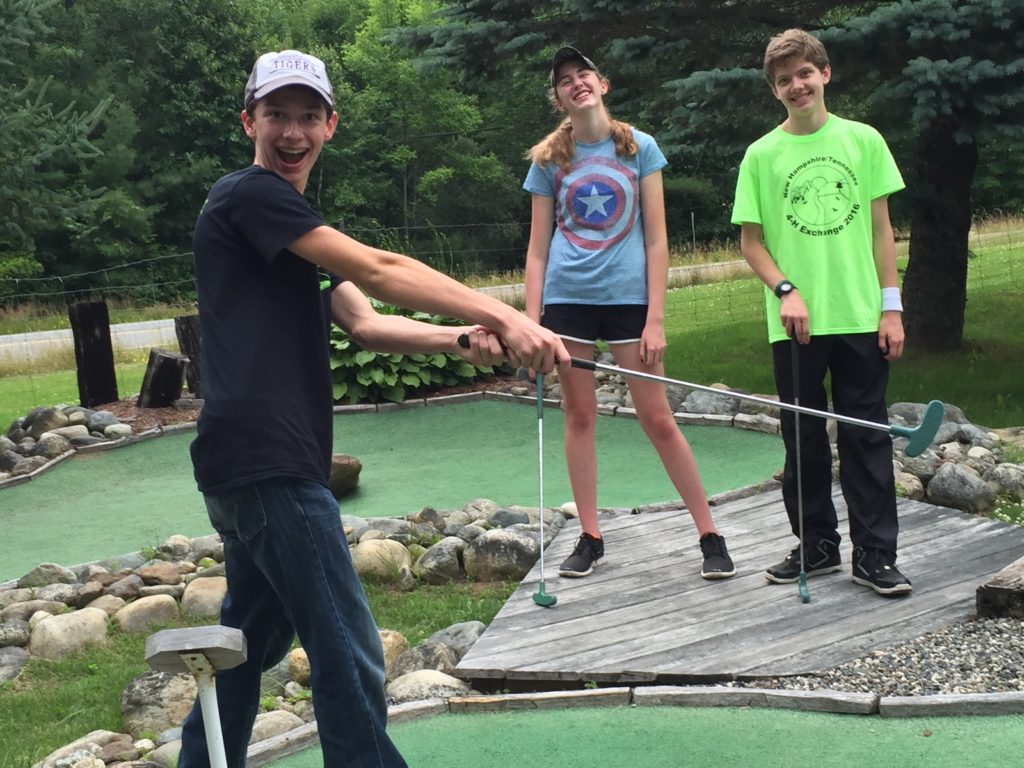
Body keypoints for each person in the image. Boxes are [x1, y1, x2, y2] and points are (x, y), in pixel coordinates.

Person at [179, 49, 570, 768]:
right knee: (347, 648)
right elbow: (383, 269)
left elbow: (365, 322)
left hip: (244, 466)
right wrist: (506, 314)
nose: (291, 132)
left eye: (306, 116)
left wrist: (462, 337)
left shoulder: (289, 227)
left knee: (246, 645)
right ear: (248, 122)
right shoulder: (250, 196)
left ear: (331, 125)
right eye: (276, 115)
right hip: (269, 464)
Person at [522, 46, 735, 581]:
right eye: (565, 80)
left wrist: (655, 318)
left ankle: (709, 533)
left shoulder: (638, 146)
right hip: (567, 302)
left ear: (602, 83)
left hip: (628, 302)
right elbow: (538, 250)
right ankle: (590, 536)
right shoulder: (549, 159)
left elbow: (658, 240)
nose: (577, 83)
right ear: (558, 98)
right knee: (580, 416)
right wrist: (529, 321)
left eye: (583, 74)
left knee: (658, 418)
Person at [731, 29, 912, 596]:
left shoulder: (863, 141)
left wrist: (891, 308)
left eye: (804, 74)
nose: (796, 86)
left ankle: (876, 556)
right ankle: (818, 546)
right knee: (802, 439)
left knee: (866, 437)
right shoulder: (762, 155)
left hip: (860, 315)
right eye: (784, 80)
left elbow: (883, 231)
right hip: (796, 325)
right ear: (774, 90)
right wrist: (787, 290)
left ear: (824, 74)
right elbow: (752, 243)